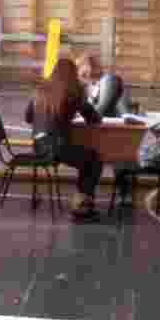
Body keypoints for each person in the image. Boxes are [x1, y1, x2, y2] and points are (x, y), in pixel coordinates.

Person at [24, 58, 103, 221]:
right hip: (56, 147)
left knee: (87, 158)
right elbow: (94, 118)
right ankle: (80, 206)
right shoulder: (73, 91)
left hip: (38, 146)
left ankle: (81, 204)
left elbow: (28, 117)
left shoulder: (41, 89)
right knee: (94, 159)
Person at [75, 53, 131, 118]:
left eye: (78, 69)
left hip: (118, 124)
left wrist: (80, 116)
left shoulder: (108, 79)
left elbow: (101, 107)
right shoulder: (92, 86)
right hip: (105, 123)